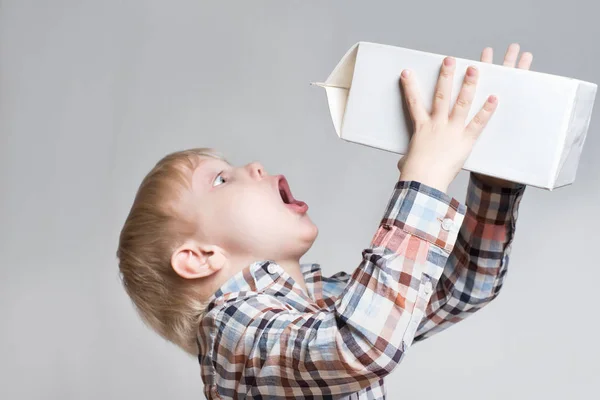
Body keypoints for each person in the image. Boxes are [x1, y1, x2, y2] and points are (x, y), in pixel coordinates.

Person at [116, 43, 531, 399]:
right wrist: (424, 178)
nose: (255, 166)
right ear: (200, 257)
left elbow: (461, 287)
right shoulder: (232, 330)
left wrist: (493, 183)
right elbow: (359, 345)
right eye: (220, 179)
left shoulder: (322, 299)